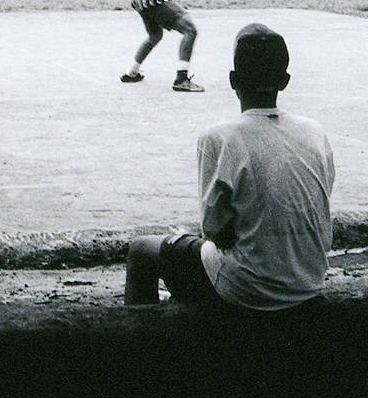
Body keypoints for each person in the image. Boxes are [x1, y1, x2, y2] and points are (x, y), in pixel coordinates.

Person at [124, 23, 333, 313]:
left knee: (140, 251)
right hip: (308, 281)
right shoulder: (315, 132)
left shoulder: (218, 137)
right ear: (284, 81)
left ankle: (138, 342)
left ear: (234, 80)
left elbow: (214, 230)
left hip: (246, 288)